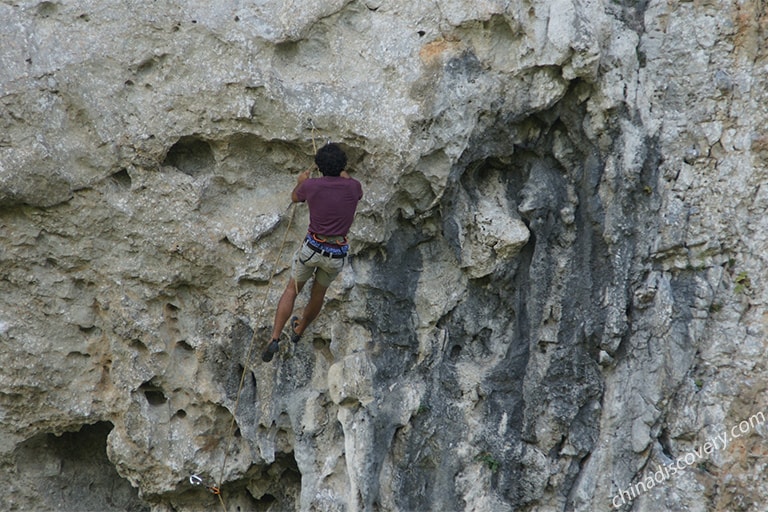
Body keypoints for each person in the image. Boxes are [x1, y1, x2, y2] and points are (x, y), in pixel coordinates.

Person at [262, 143, 363, 362]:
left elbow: (295, 198)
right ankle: (299, 329)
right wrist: (337, 172)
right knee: (318, 295)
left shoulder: (311, 186)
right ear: (343, 166)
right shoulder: (354, 187)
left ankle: (275, 338)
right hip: (336, 253)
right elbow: (346, 180)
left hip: (312, 249)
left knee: (291, 291)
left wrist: (300, 182)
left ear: (319, 166)